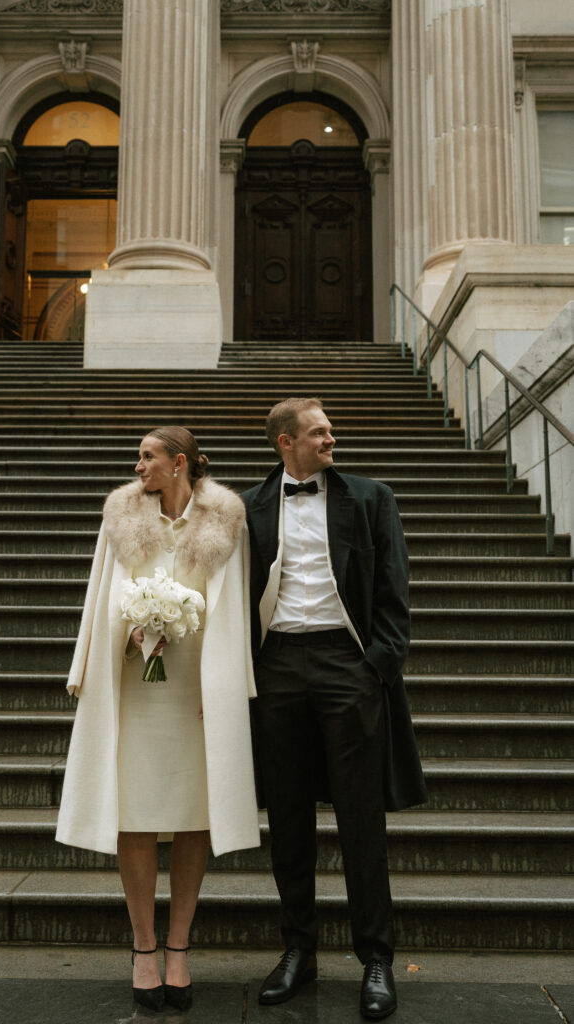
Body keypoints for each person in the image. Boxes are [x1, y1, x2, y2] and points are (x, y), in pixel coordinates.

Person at [56, 426, 260, 1012]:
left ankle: (179, 947)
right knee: (136, 815)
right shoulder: (120, 515)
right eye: (138, 456)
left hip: (199, 690)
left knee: (197, 816)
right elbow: (100, 594)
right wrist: (95, 661)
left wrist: (229, 689)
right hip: (134, 686)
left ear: (179, 464)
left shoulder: (227, 520)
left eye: (146, 456)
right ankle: (144, 947)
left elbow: (240, 608)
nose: (137, 465)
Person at [242, 398, 427, 1021]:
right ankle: (299, 950)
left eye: (330, 429)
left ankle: (376, 958)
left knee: (360, 820)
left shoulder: (371, 497)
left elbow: (394, 591)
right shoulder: (249, 507)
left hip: (348, 666)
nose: (331, 438)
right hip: (277, 668)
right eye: (319, 431)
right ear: (285, 443)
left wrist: (378, 665)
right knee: (289, 821)